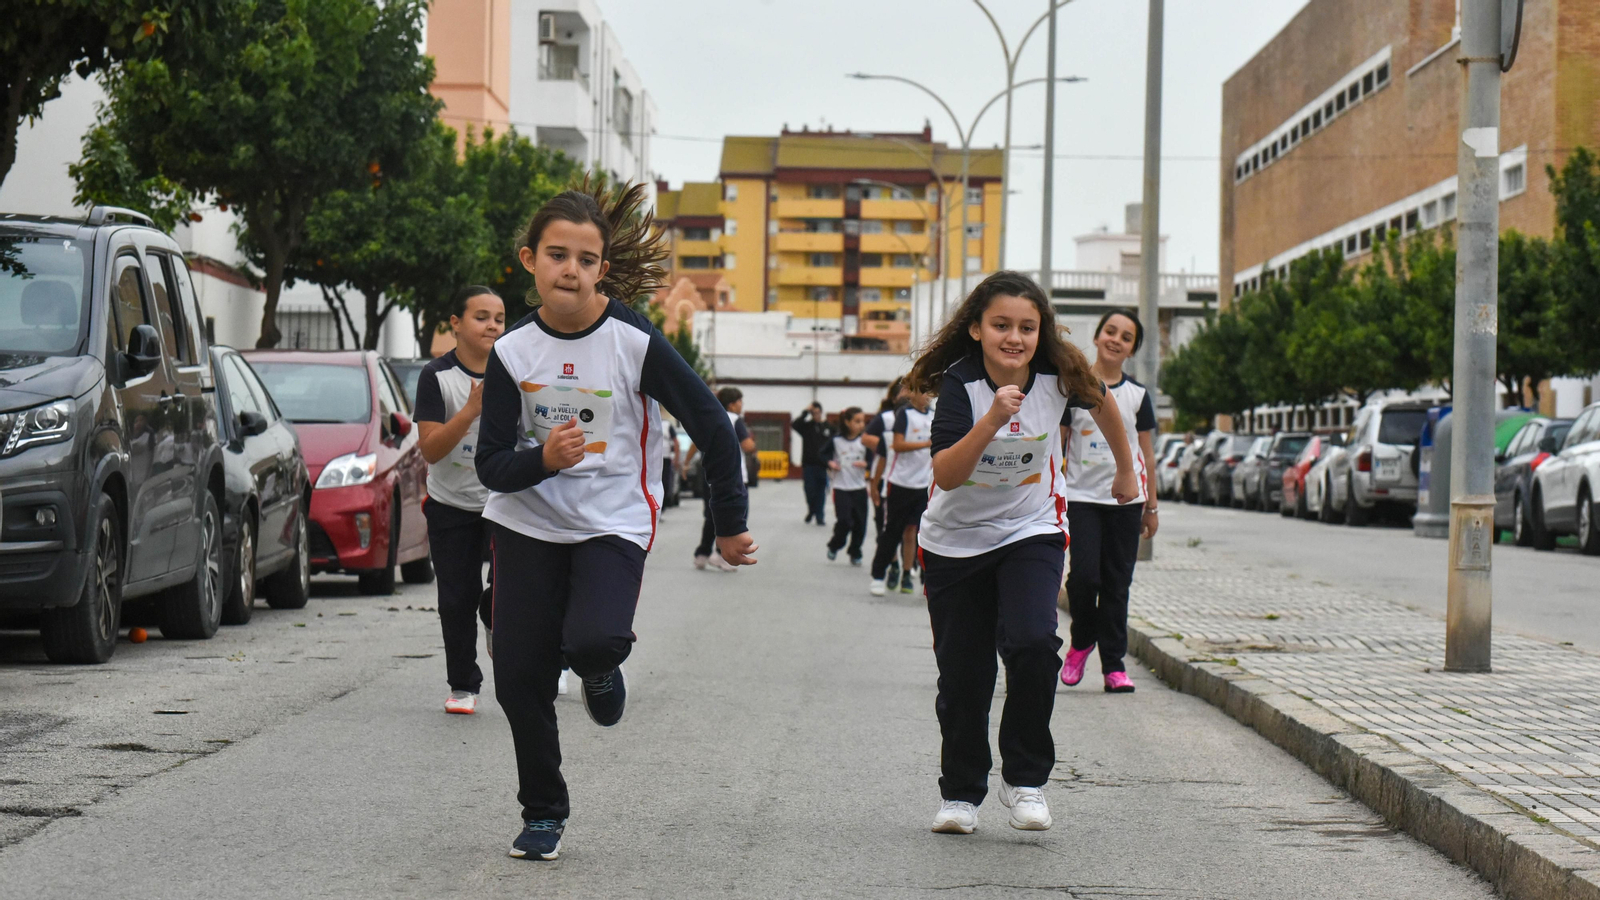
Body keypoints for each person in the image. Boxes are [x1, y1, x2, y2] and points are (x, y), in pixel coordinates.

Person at [474, 182, 758, 862]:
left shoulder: (632, 341)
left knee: (596, 638)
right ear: (529, 260)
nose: (570, 269)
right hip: (526, 520)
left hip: (612, 519)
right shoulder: (513, 352)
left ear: (603, 268)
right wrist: (542, 458)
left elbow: (712, 426)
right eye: (556, 255)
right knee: (517, 675)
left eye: (586, 258)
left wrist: (727, 522)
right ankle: (543, 811)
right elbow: (490, 465)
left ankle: (601, 670)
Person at [909, 271, 1136, 836]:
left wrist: (1127, 471)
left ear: (1042, 333)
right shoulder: (961, 386)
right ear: (977, 330)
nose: (1015, 338)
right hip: (954, 544)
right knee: (965, 675)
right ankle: (962, 794)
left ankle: (1026, 779)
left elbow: (1105, 405)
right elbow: (947, 474)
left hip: (1030, 529)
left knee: (1034, 643)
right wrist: (992, 418)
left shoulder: (1059, 376)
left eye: (1028, 328)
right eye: (1002, 326)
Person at [414, 286, 507, 715]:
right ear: (456, 324)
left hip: (505, 500)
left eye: (499, 319)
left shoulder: (513, 372)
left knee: (511, 590)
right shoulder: (436, 376)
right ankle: (463, 685)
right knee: (456, 597)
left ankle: (495, 616)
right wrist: (470, 410)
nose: (492, 326)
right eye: (482, 317)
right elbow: (430, 449)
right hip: (450, 503)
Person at [1060, 309, 1159, 694]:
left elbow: (1146, 456)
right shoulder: (1075, 390)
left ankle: (1114, 667)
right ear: (1098, 336)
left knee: (1118, 584)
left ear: (1132, 349)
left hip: (1126, 504)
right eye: (1111, 331)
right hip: (1081, 497)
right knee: (1084, 578)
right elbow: (1059, 443)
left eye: (1127, 336)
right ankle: (1082, 641)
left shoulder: (1138, 396)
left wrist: (1151, 507)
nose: (1117, 339)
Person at [869, 385, 933, 596]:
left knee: (913, 532)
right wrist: (926, 444)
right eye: (922, 391)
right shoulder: (905, 414)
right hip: (900, 482)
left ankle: (908, 572)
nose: (927, 396)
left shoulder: (933, 416)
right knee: (892, 530)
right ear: (912, 393)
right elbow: (897, 445)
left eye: (929, 392)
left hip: (923, 484)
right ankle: (879, 574)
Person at [688, 387, 757, 572]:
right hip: (733, 475)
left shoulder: (711, 417)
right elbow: (747, 445)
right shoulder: (735, 419)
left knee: (711, 515)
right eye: (740, 401)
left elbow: (695, 442)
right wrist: (752, 445)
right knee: (733, 514)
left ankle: (702, 553)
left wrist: (686, 463)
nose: (741, 405)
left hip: (709, 473)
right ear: (733, 403)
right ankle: (722, 554)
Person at [863, 378, 905, 585]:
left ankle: (908, 567)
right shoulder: (887, 418)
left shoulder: (928, 416)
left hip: (916, 481)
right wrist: (893, 444)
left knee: (910, 528)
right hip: (886, 476)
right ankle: (892, 563)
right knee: (886, 526)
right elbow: (866, 438)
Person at [820, 406, 871, 565]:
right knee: (845, 520)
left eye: (863, 421)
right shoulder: (836, 441)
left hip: (859, 488)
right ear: (847, 422)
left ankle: (855, 551)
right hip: (841, 488)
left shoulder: (865, 441)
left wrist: (867, 463)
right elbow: (821, 455)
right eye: (857, 421)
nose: (861, 424)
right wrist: (830, 463)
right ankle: (835, 545)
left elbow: (875, 459)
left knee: (860, 523)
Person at [792, 401, 833, 526]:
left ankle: (819, 516)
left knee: (821, 491)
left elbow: (835, 442)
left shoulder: (828, 427)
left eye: (817, 412)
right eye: (813, 413)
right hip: (808, 465)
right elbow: (795, 424)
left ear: (821, 412)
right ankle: (812, 510)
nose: (816, 415)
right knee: (809, 490)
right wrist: (805, 412)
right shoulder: (807, 427)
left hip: (822, 465)